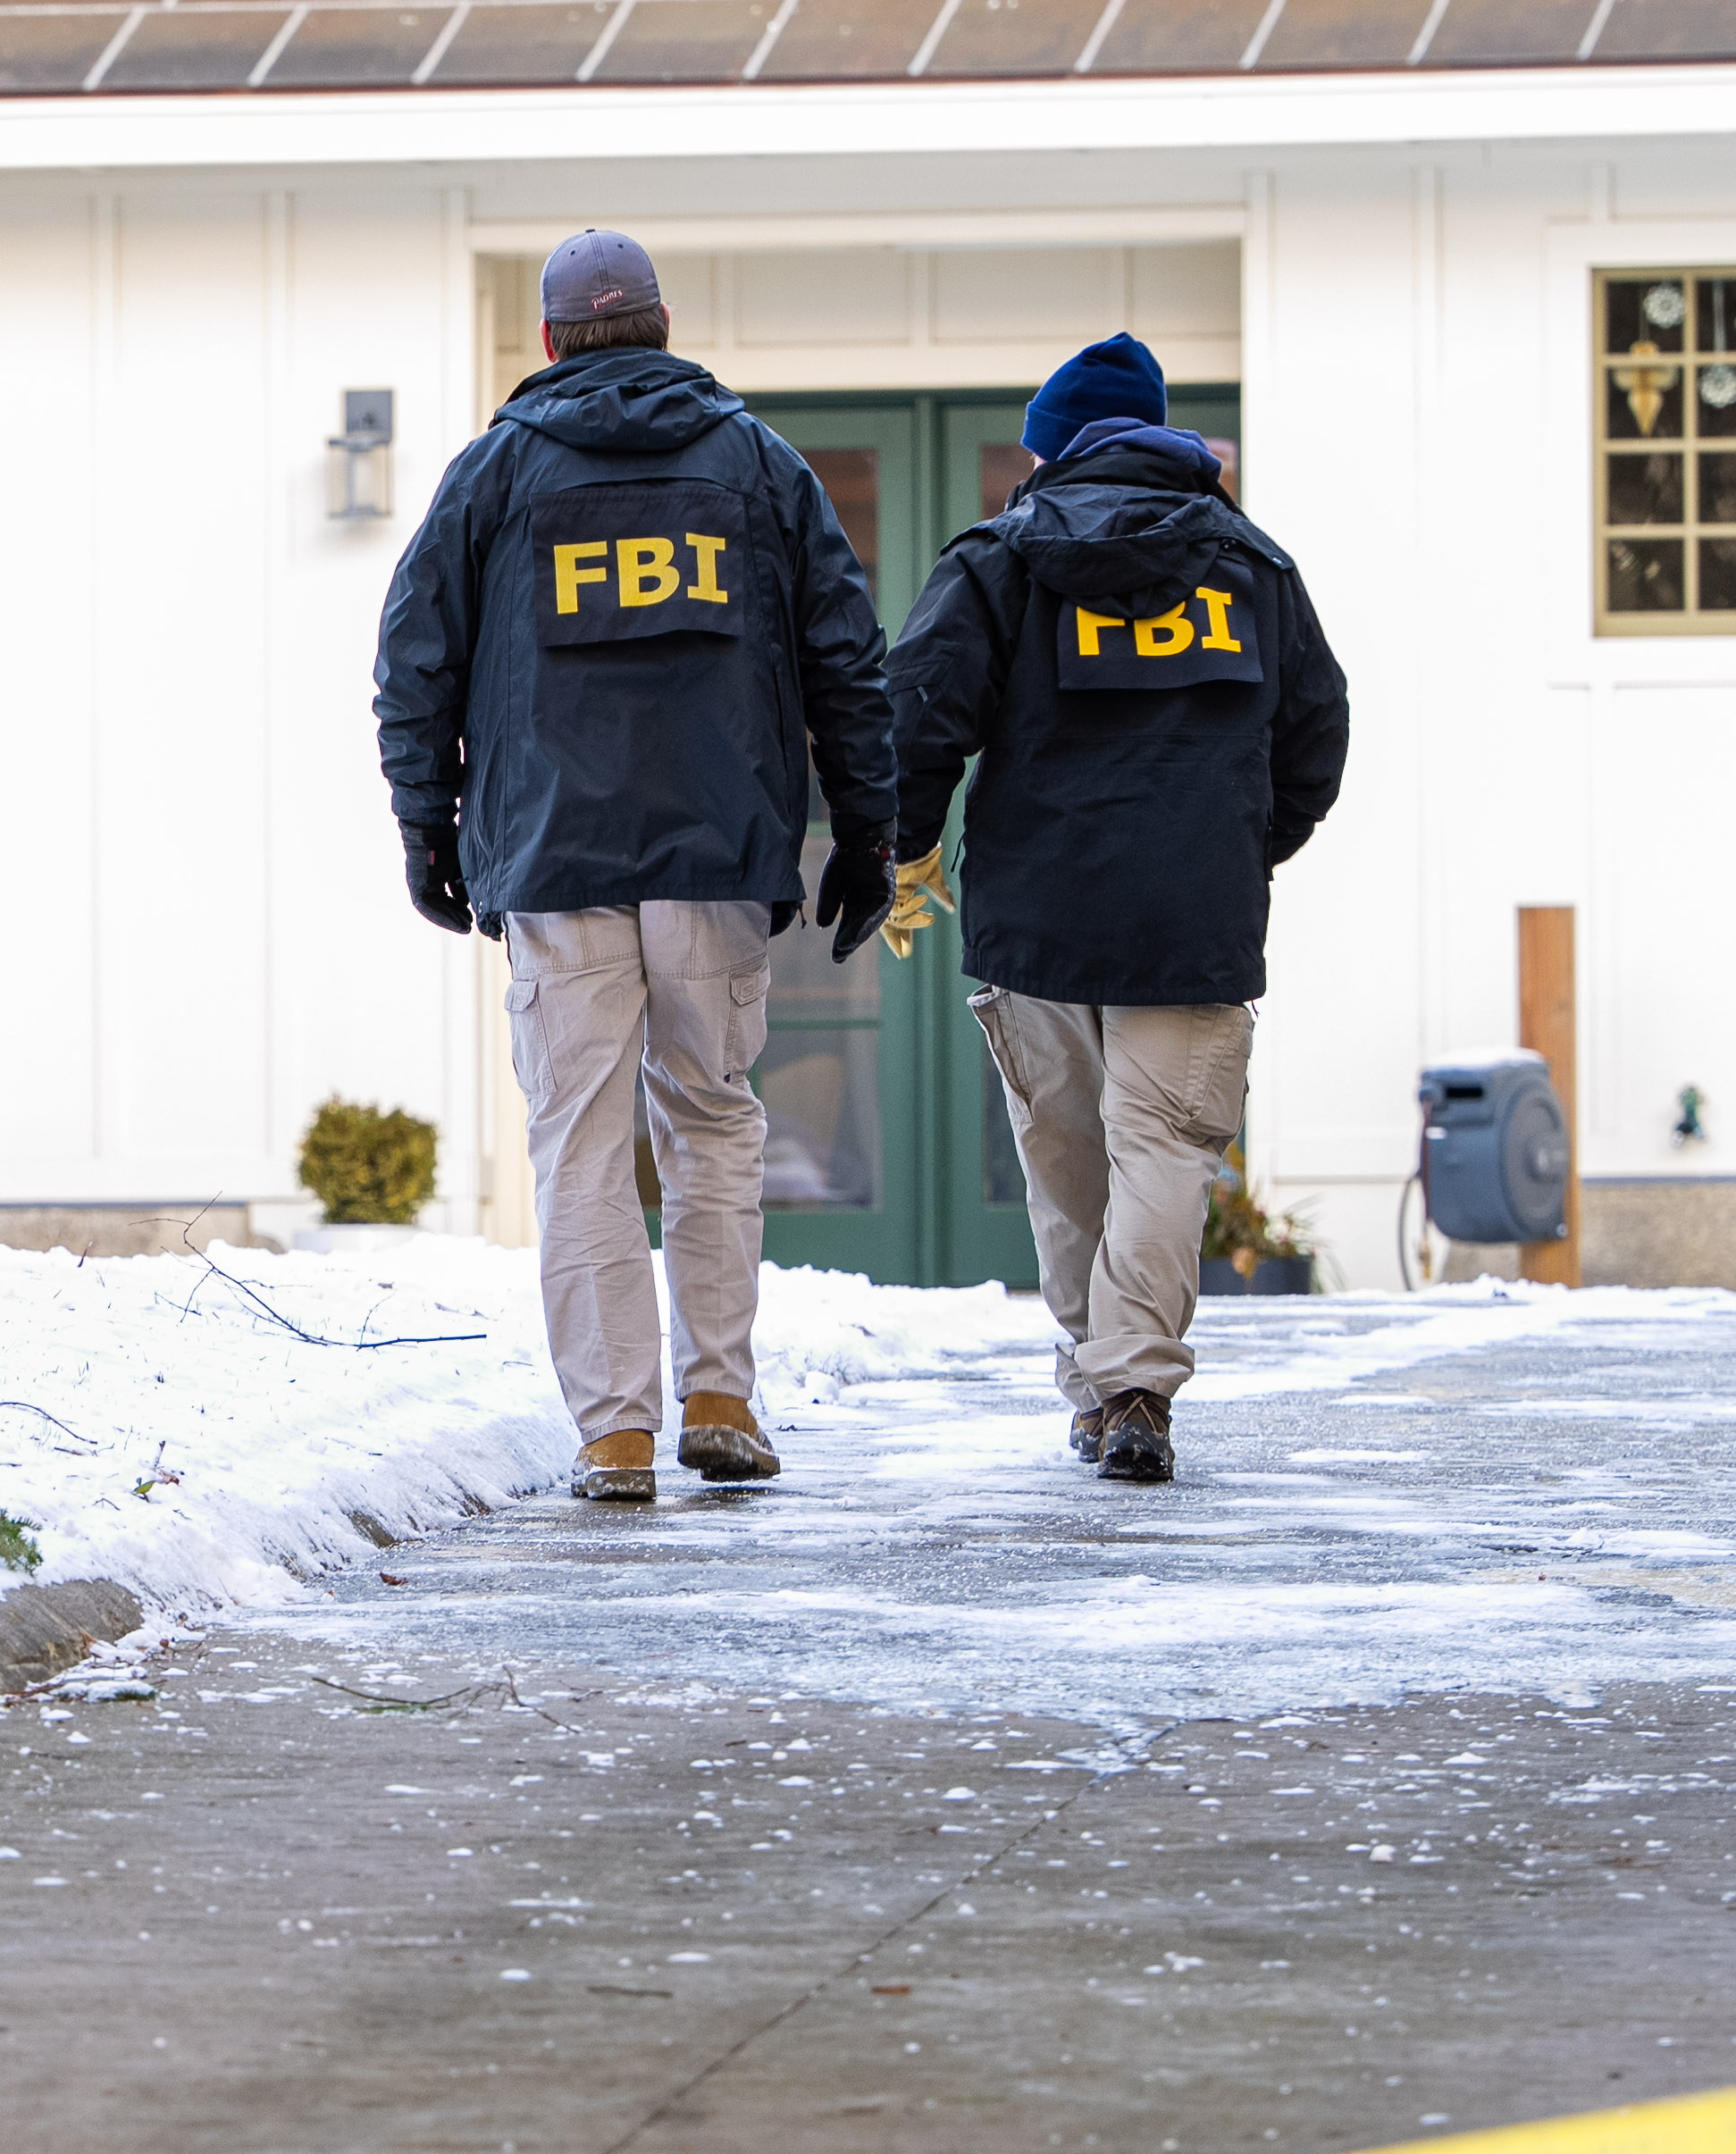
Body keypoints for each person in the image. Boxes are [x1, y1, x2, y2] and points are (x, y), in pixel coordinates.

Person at [373, 230, 894, 1500]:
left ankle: (615, 1431)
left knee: (582, 1140)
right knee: (711, 1119)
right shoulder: (757, 463)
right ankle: (719, 1397)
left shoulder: (496, 472)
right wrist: (866, 828)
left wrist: (426, 828)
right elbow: (844, 653)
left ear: (551, 342)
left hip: (556, 858)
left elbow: (416, 659)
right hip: (718, 850)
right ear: (662, 328)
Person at [884, 331, 1348, 1485]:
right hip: (1193, 918)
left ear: (1051, 450)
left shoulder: (1000, 559)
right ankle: (1132, 1382)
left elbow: (919, 711)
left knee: (1068, 1162)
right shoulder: (1253, 568)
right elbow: (1317, 736)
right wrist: (1242, 850)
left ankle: (1104, 1383)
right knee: (1163, 1152)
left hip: (1039, 918)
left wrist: (905, 848)